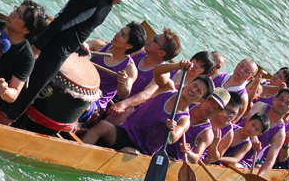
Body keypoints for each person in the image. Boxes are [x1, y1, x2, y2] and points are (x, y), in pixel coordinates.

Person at [2, 0, 153, 124]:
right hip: (52, 49)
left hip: (61, 50)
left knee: (27, 93)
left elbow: (76, 25)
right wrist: (38, 47)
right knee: (23, 96)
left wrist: (77, 44)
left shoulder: (108, 1)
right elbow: (62, 19)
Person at [82, 61, 213, 155]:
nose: (193, 90)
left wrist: (171, 130)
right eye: (194, 85)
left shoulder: (184, 120)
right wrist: (177, 66)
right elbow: (157, 70)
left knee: (127, 152)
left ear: (200, 100)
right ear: (189, 83)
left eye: (199, 91)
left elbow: (173, 138)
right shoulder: (167, 88)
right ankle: (78, 152)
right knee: (102, 125)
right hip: (125, 132)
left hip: (142, 150)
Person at [105, 29, 181, 125]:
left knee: (129, 110)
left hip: (128, 104)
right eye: (154, 37)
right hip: (114, 89)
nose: (151, 40)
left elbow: (145, 95)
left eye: (155, 40)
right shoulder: (139, 52)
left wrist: (123, 104)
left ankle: (98, 127)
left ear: (162, 53)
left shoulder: (163, 74)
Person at [82, 22, 146, 120]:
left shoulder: (130, 68)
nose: (117, 34)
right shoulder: (99, 45)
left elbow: (124, 94)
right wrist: (82, 46)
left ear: (129, 46)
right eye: (120, 31)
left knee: (80, 104)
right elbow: (83, 45)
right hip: (81, 86)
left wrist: (122, 83)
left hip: (96, 101)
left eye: (123, 35)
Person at [239, 88, 289, 177]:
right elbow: (248, 120)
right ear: (274, 99)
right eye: (281, 99)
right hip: (231, 143)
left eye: (287, 103)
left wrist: (258, 177)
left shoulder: (280, 133)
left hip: (245, 160)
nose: (282, 103)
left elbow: (270, 160)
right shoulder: (260, 106)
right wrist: (254, 137)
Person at [167, 89, 230, 162]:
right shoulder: (186, 105)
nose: (211, 109)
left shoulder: (207, 134)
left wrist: (189, 152)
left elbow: (196, 158)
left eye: (217, 109)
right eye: (212, 103)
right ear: (203, 99)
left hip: (173, 159)